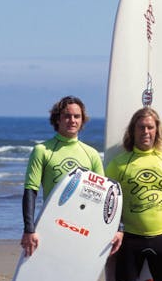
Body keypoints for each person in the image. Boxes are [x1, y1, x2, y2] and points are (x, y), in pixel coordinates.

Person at [105, 107, 162, 281]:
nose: (146, 132)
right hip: (129, 240)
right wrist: (114, 230)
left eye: (150, 127)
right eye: (141, 127)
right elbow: (108, 203)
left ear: (157, 130)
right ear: (133, 131)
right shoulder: (118, 164)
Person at [21, 96, 103, 257]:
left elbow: (102, 197)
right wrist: (29, 229)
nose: (72, 120)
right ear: (57, 119)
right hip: (51, 225)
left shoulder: (92, 154)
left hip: (82, 227)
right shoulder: (42, 150)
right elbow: (31, 190)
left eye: (77, 116)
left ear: (82, 120)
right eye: (67, 116)